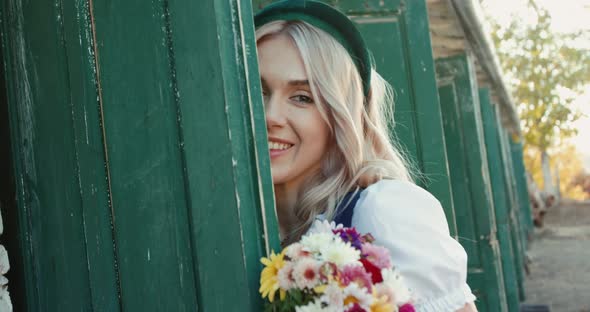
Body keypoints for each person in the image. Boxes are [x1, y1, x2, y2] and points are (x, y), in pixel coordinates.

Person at [254, 1, 478, 311]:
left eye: (302, 97)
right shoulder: (247, 225)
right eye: (258, 92)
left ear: (340, 116)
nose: (270, 115)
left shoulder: (381, 212)